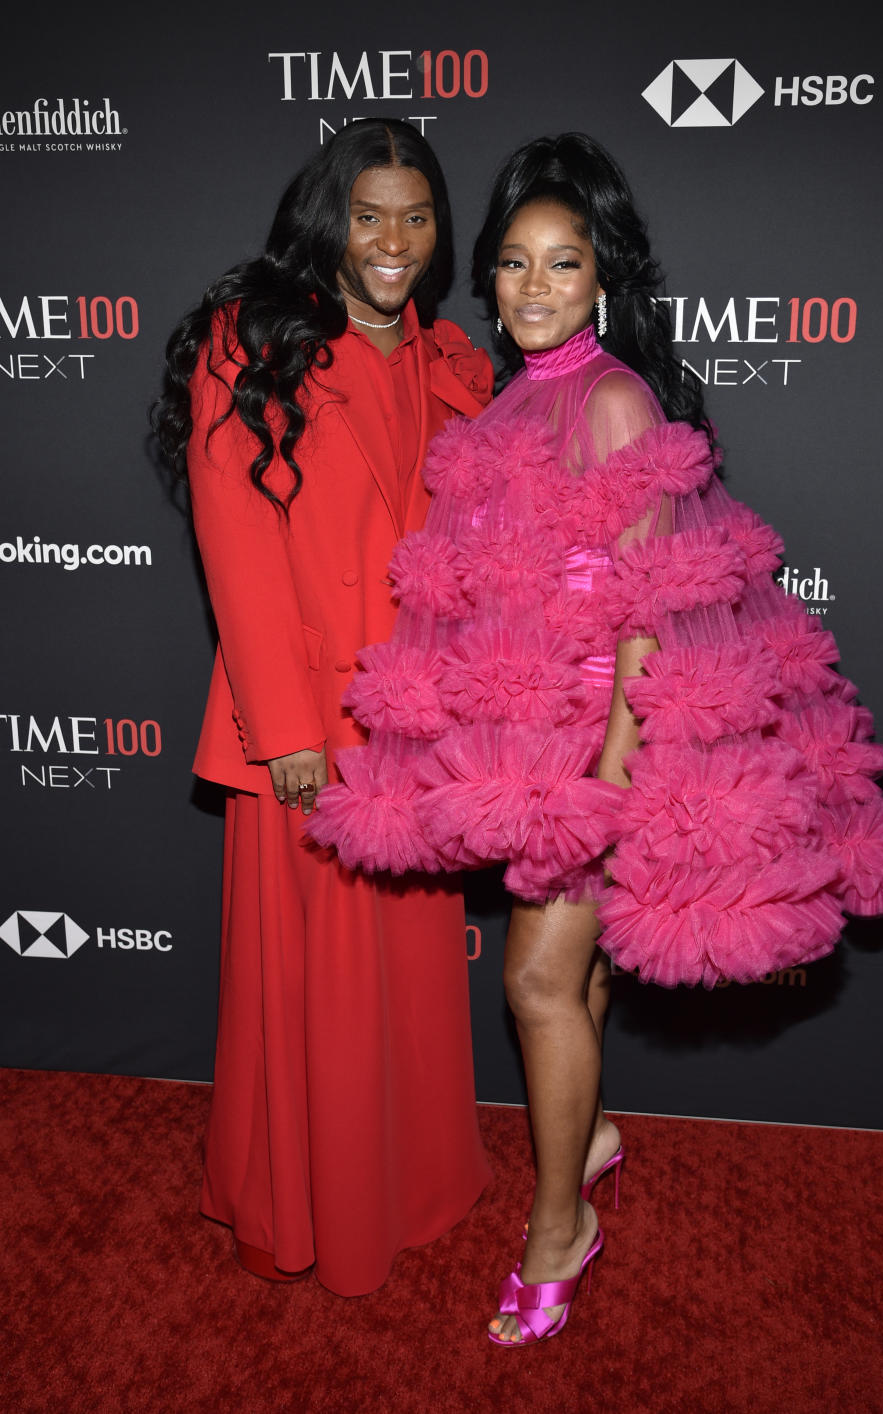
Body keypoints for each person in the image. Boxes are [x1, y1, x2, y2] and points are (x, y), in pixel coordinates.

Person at [307, 132, 883, 1340]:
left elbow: (649, 606)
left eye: (566, 264)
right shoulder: (512, 399)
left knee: (536, 978)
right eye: (516, 264)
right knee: (572, 975)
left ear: (603, 280)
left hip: (613, 746)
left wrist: (606, 771)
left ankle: (558, 1228)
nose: (535, 287)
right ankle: (588, 1136)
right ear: (487, 276)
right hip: (546, 745)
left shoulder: (611, 396)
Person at [151, 119, 493, 1296]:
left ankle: (410, 1187)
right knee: (321, 991)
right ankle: (309, 1206)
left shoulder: (448, 360)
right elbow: (235, 548)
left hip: (422, 730)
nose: (393, 241)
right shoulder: (253, 345)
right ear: (325, 217)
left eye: (416, 216)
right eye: (368, 214)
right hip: (312, 732)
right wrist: (286, 729)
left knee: (404, 978)